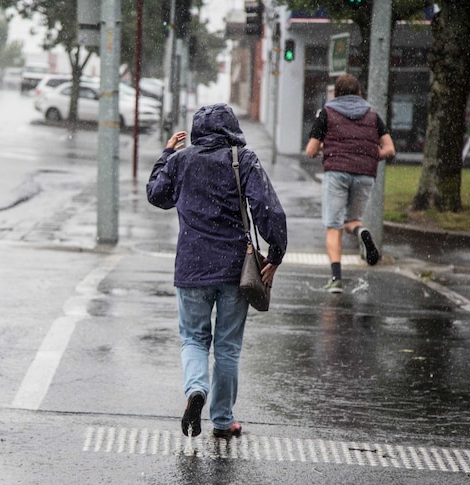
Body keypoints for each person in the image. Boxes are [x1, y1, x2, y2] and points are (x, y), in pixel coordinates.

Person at [146, 103, 288, 439]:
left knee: (194, 339)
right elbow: (267, 209)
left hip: (192, 267)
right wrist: (276, 253)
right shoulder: (243, 159)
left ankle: (195, 391)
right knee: (227, 347)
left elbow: (157, 195)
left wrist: (167, 153)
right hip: (234, 270)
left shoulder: (182, 161)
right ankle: (223, 420)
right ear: (232, 128)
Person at [305, 73, 396, 294]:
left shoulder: (328, 112)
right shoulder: (372, 115)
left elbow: (310, 151)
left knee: (333, 226)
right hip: (365, 173)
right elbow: (390, 149)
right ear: (359, 93)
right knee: (351, 221)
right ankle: (361, 230)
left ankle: (336, 279)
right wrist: (371, 155)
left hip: (337, 172)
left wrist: (327, 150)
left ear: (335, 93)